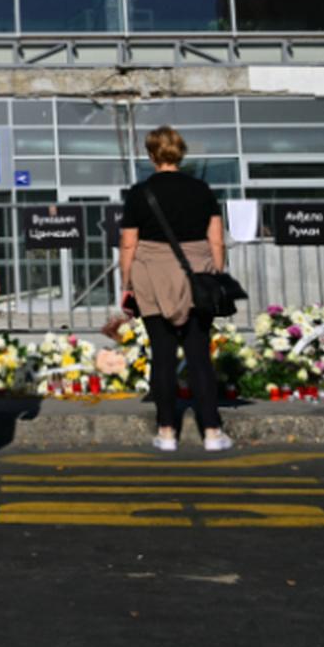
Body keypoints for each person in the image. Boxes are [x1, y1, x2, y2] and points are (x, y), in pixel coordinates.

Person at [117, 125, 232, 453]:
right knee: (198, 355)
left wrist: (127, 284)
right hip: (197, 275)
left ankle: (167, 431)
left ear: (152, 155)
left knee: (163, 355)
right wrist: (215, 275)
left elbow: (128, 244)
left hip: (151, 276)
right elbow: (216, 239)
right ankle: (212, 431)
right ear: (180, 153)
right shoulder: (202, 189)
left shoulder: (140, 193)